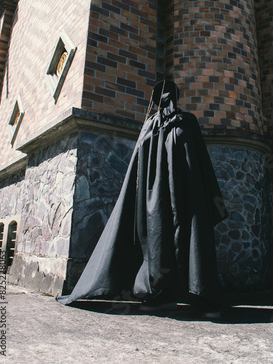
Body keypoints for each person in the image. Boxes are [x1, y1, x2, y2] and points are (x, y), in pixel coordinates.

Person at [58, 80, 227, 318]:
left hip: (155, 203)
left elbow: (138, 174)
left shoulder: (152, 127)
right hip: (183, 200)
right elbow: (200, 167)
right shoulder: (183, 123)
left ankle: (161, 296)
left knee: (159, 242)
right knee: (181, 240)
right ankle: (192, 295)